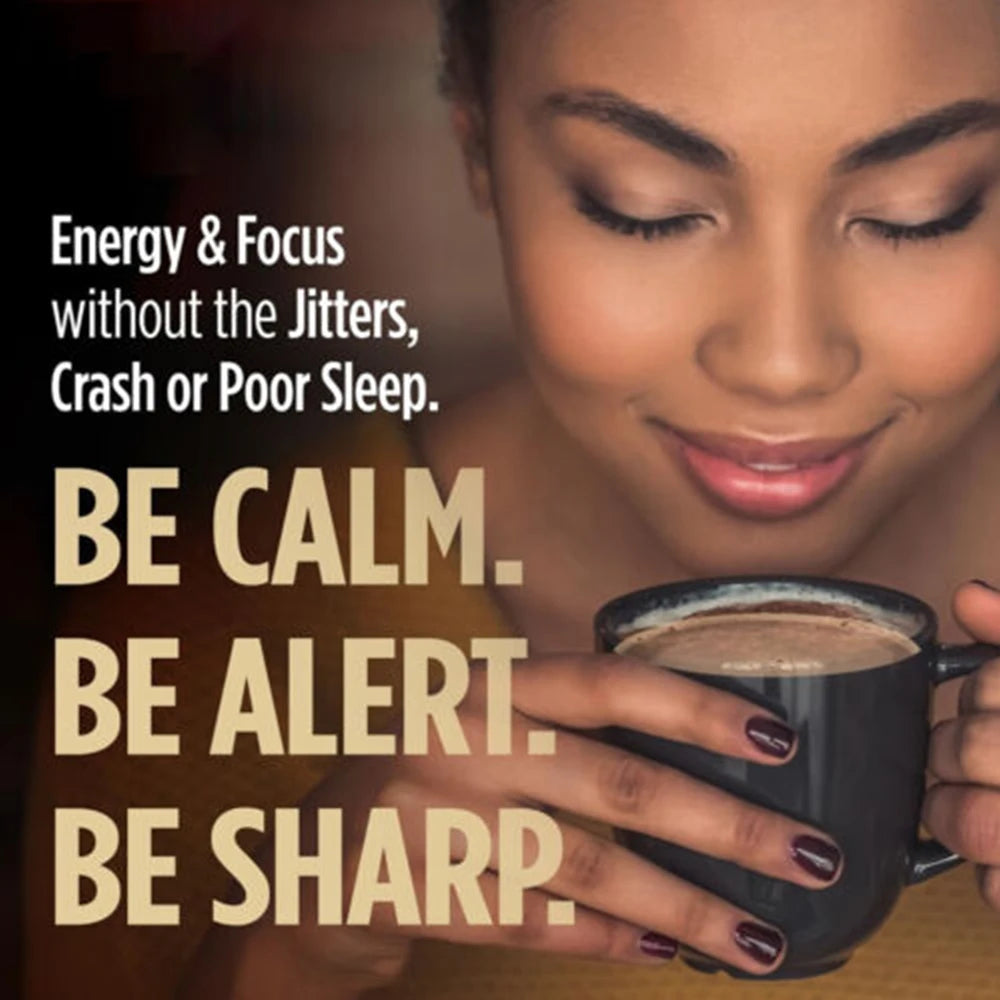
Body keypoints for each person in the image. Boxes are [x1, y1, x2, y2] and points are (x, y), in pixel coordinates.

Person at [25, 1, 999, 998]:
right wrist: (271, 963)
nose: (782, 363)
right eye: (642, 205)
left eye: (919, 211)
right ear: (478, 150)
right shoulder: (197, 642)